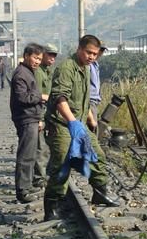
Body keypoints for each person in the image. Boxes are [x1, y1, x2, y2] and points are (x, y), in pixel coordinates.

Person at [43, 35, 120, 221]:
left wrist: (91, 119)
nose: (92, 56)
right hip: (62, 124)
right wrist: (72, 122)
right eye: (88, 52)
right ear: (79, 49)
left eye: (95, 54)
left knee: (98, 156)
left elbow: (84, 99)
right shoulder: (66, 68)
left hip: (79, 122)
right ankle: (52, 206)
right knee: (62, 164)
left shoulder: (86, 68)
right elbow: (60, 98)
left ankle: (100, 193)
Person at [10, 43, 49, 203]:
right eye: (35, 57)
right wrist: (41, 97)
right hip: (25, 118)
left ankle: (27, 184)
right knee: (26, 155)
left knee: (31, 154)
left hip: (31, 117)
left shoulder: (28, 72)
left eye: (39, 59)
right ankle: (22, 190)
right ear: (26, 56)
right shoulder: (21, 74)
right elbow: (22, 97)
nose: (37, 61)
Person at [33, 43, 59, 188]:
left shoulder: (47, 71)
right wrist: (40, 119)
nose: (52, 58)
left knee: (45, 146)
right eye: (50, 55)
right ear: (43, 55)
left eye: (54, 56)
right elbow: (36, 97)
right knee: (40, 147)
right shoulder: (38, 72)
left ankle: (42, 174)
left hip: (47, 112)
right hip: (40, 113)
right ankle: (39, 178)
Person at [89, 43, 107, 128]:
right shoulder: (88, 65)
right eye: (100, 50)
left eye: (102, 51)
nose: (100, 53)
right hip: (90, 100)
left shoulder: (95, 65)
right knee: (92, 127)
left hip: (95, 100)